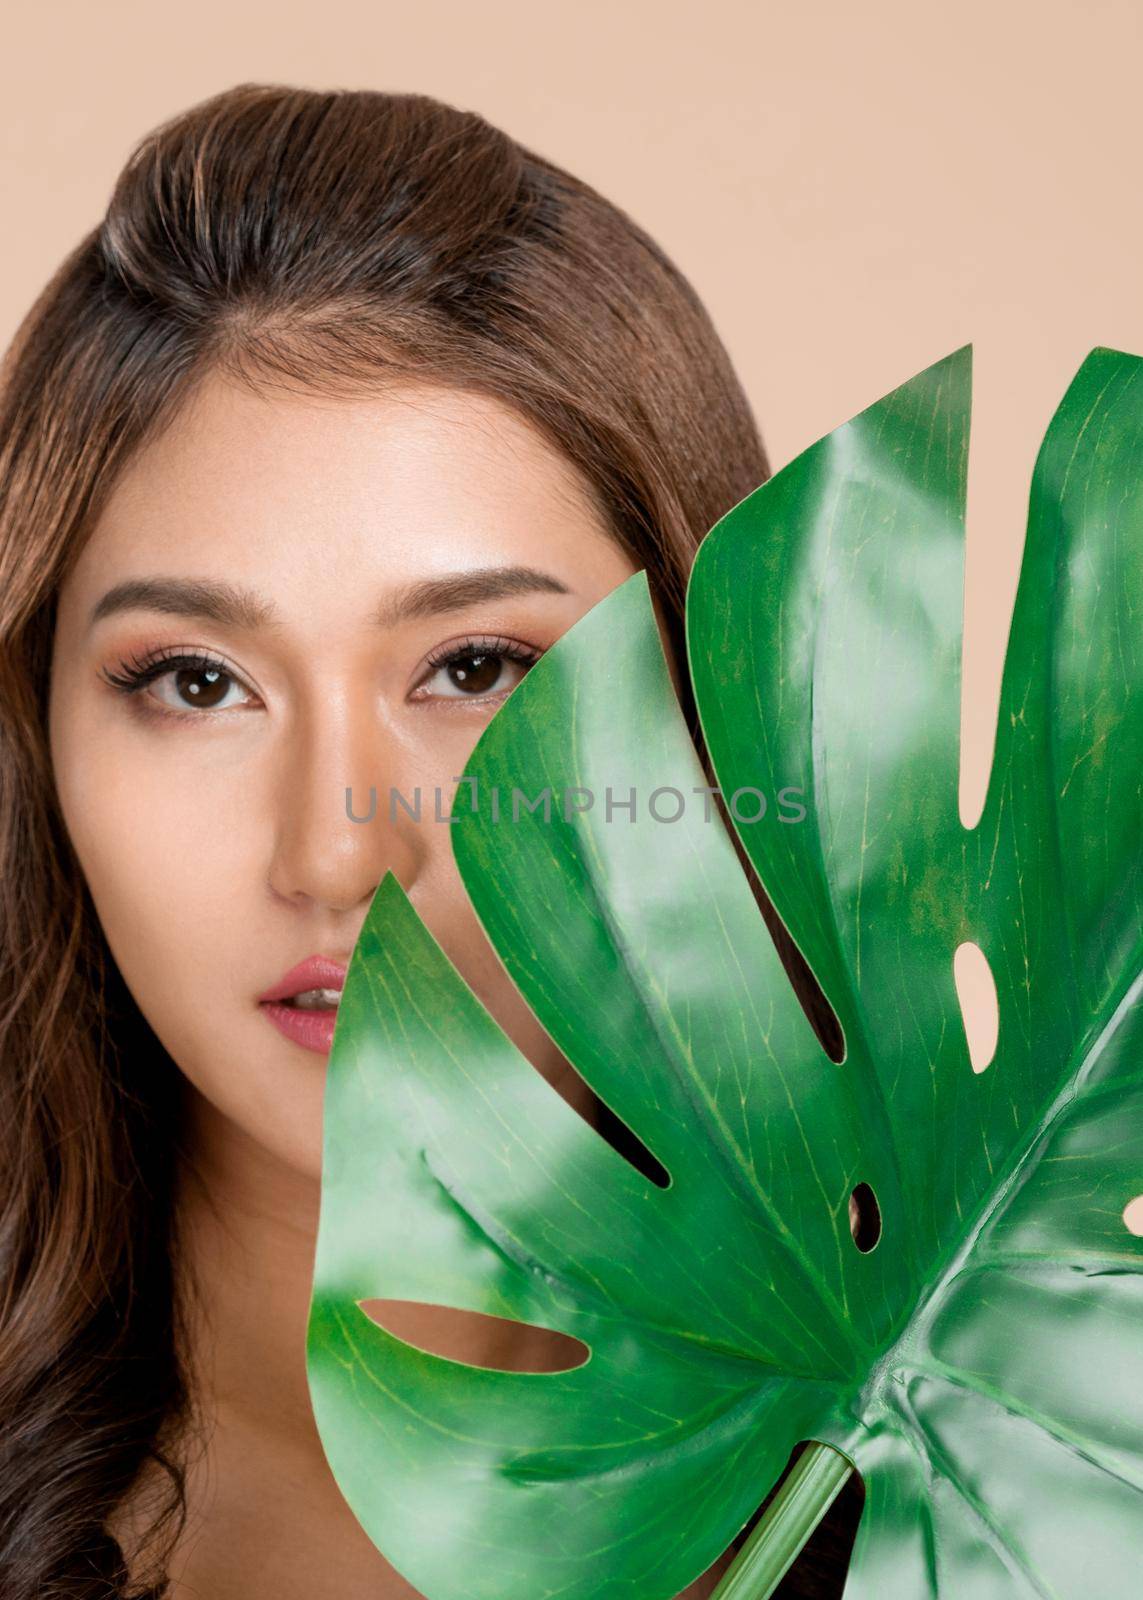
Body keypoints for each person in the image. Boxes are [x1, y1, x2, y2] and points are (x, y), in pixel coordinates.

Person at [0, 83, 858, 1598]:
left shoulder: (993, 1473)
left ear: (708, 700)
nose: (336, 859)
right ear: (37, 730)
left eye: (478, 670)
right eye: (196, 683)